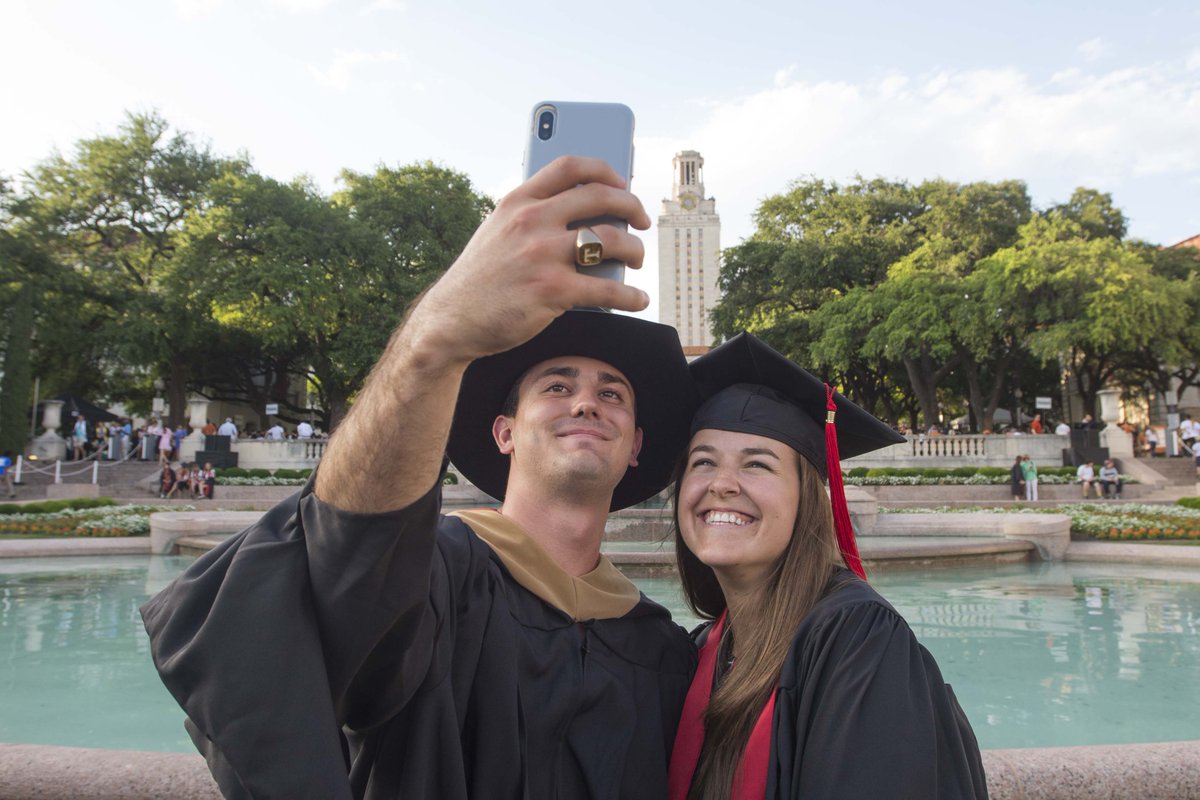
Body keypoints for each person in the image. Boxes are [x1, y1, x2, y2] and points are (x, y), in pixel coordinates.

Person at [140, 156, 700, 799]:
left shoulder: (659, 647)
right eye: (556, 385)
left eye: (612, 394)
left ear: (635, 447)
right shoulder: (431, 578)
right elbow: (335, 568)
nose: (586, 402)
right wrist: (435, 341)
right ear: (504, 432)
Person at [667, 333, 986, 799]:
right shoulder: (706, 649)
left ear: (807, 497)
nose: (722, 484)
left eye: (757, 465)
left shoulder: (857, 639)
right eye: (702, 462)